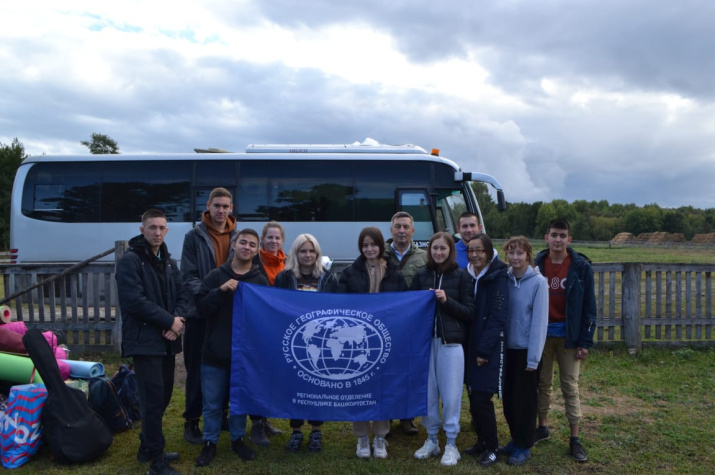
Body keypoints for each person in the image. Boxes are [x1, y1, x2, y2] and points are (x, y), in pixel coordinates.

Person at [116, 208, 190, 475]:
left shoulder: (169, 262)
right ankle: (157, 463)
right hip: (145, 341)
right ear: (142, 230)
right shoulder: (131, 261)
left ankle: (147, 447)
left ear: (167, 230)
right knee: (151, 399)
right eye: (152, 228)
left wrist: (177, 320)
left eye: (161, 228)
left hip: (167, 341)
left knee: (164, 395)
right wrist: (167, 321)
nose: (157, 232)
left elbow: (182, 293)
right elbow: (134, 301)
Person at [193, 229, 268, 467]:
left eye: (252, 245)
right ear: (234, 245)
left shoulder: (259, 280)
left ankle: (237, 439)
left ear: (257, 251)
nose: (247, 247)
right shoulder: (216, 276)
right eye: (243, 242)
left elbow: (265, 317)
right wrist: (221, 291)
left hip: (244, 357)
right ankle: (210, 442)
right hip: (215, 353)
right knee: (213, 403)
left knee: (239, 402)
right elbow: (201, 308)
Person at [338, 227, 407, 459]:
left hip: (385, 340)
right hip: (357, 341)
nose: (369, 249)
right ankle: (361, 438)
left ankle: (380, 437)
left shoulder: (395, 273)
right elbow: (340, 306)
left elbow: (405, 305)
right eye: (365, 245)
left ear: (381, 246)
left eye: (373, 244)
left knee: (382, 389)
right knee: (359, 388)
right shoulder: (349, 273)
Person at [533, 219, 596, 463]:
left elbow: (589, 307)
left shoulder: (581, 267)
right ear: (545, 237)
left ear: (569, 239)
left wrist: (585, 341)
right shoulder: (537, 264)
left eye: (562, 235)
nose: (557, 239)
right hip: (542, 335)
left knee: (570, 385)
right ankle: (542, 427)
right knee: (542, 383)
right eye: (553, 235)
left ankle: (574, 438)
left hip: (569, 337)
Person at [411, 232, 475, 467]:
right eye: (435, 248)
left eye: (443, 249)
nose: (438, 253)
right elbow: (409, 309)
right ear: (430, 250)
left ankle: (451, 443)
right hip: (426, 344)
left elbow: (469, 312)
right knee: (428, 395)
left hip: (451, 344)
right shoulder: (421, 276)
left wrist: (447, 300)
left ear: (450, 251)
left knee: (450, 396)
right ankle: (431, 440)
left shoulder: (461, 277)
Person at [180, 187, 237, 445]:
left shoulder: (240, 237)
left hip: (229, 316)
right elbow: (188, 277)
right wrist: (209, 295)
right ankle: (192, 421)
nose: (221, 210)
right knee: (196, 370)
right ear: (208, 206)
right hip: (200, 314)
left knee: (227, 367)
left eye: (226, 206)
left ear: (231, 208)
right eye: (217, 206)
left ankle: (222, 416)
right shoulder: (194, 236)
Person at [274, 234, 339, 453]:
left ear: (318, 254)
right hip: (294, 342)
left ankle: (316, 431)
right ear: (295, 254)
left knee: (317, 387)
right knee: (296, 387)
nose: (308, 255)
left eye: (312, 251)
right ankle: (296, 432)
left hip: (321, 343)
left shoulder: (329, 279)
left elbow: (338, 309)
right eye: (303, 251)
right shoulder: (283, 278)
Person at [498, 236, 549, 466]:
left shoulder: (538, 282)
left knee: (524, 402)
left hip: (526, 352)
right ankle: (515, 438)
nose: (515, 257)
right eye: (511, 253)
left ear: (528, 255)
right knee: (508, 400)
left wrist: (534, 358)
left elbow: (539, 322)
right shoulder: (505, 279)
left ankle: (525, 444)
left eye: (520, 253)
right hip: (506, 350)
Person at [462, 233, 509, 467]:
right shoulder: (469, 275)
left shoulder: (499, 276)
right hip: (469, 344)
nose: (474, 254)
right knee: (472, 394)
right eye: (471, 250)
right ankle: (481, 440)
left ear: (488, 252)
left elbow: (498, 317)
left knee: (482, 398)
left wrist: (484, 350)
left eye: (479, 250)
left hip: (486, 347)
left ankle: (492, 447)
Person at [383, 211, 427, 435]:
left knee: (410, 371)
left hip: (413, 325)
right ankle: (387, 417)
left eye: (405, 227)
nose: (401, 231)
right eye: (397, 227)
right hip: (386, 324)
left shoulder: (424, 257)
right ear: (391, 230)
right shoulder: (379, 254)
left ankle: (408, 417)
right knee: (387, 371)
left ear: (413, 231)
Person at [248, 221, 287, 445]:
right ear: (262, 240)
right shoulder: (253, 262)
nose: (273, 241)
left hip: (278, 328)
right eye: (269, 237)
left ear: (282, 241)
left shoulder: (287, 264)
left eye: (277, 238)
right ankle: (255, 424)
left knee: (271, 375)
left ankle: (264, 420)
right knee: (257, 375)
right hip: (258, 327)